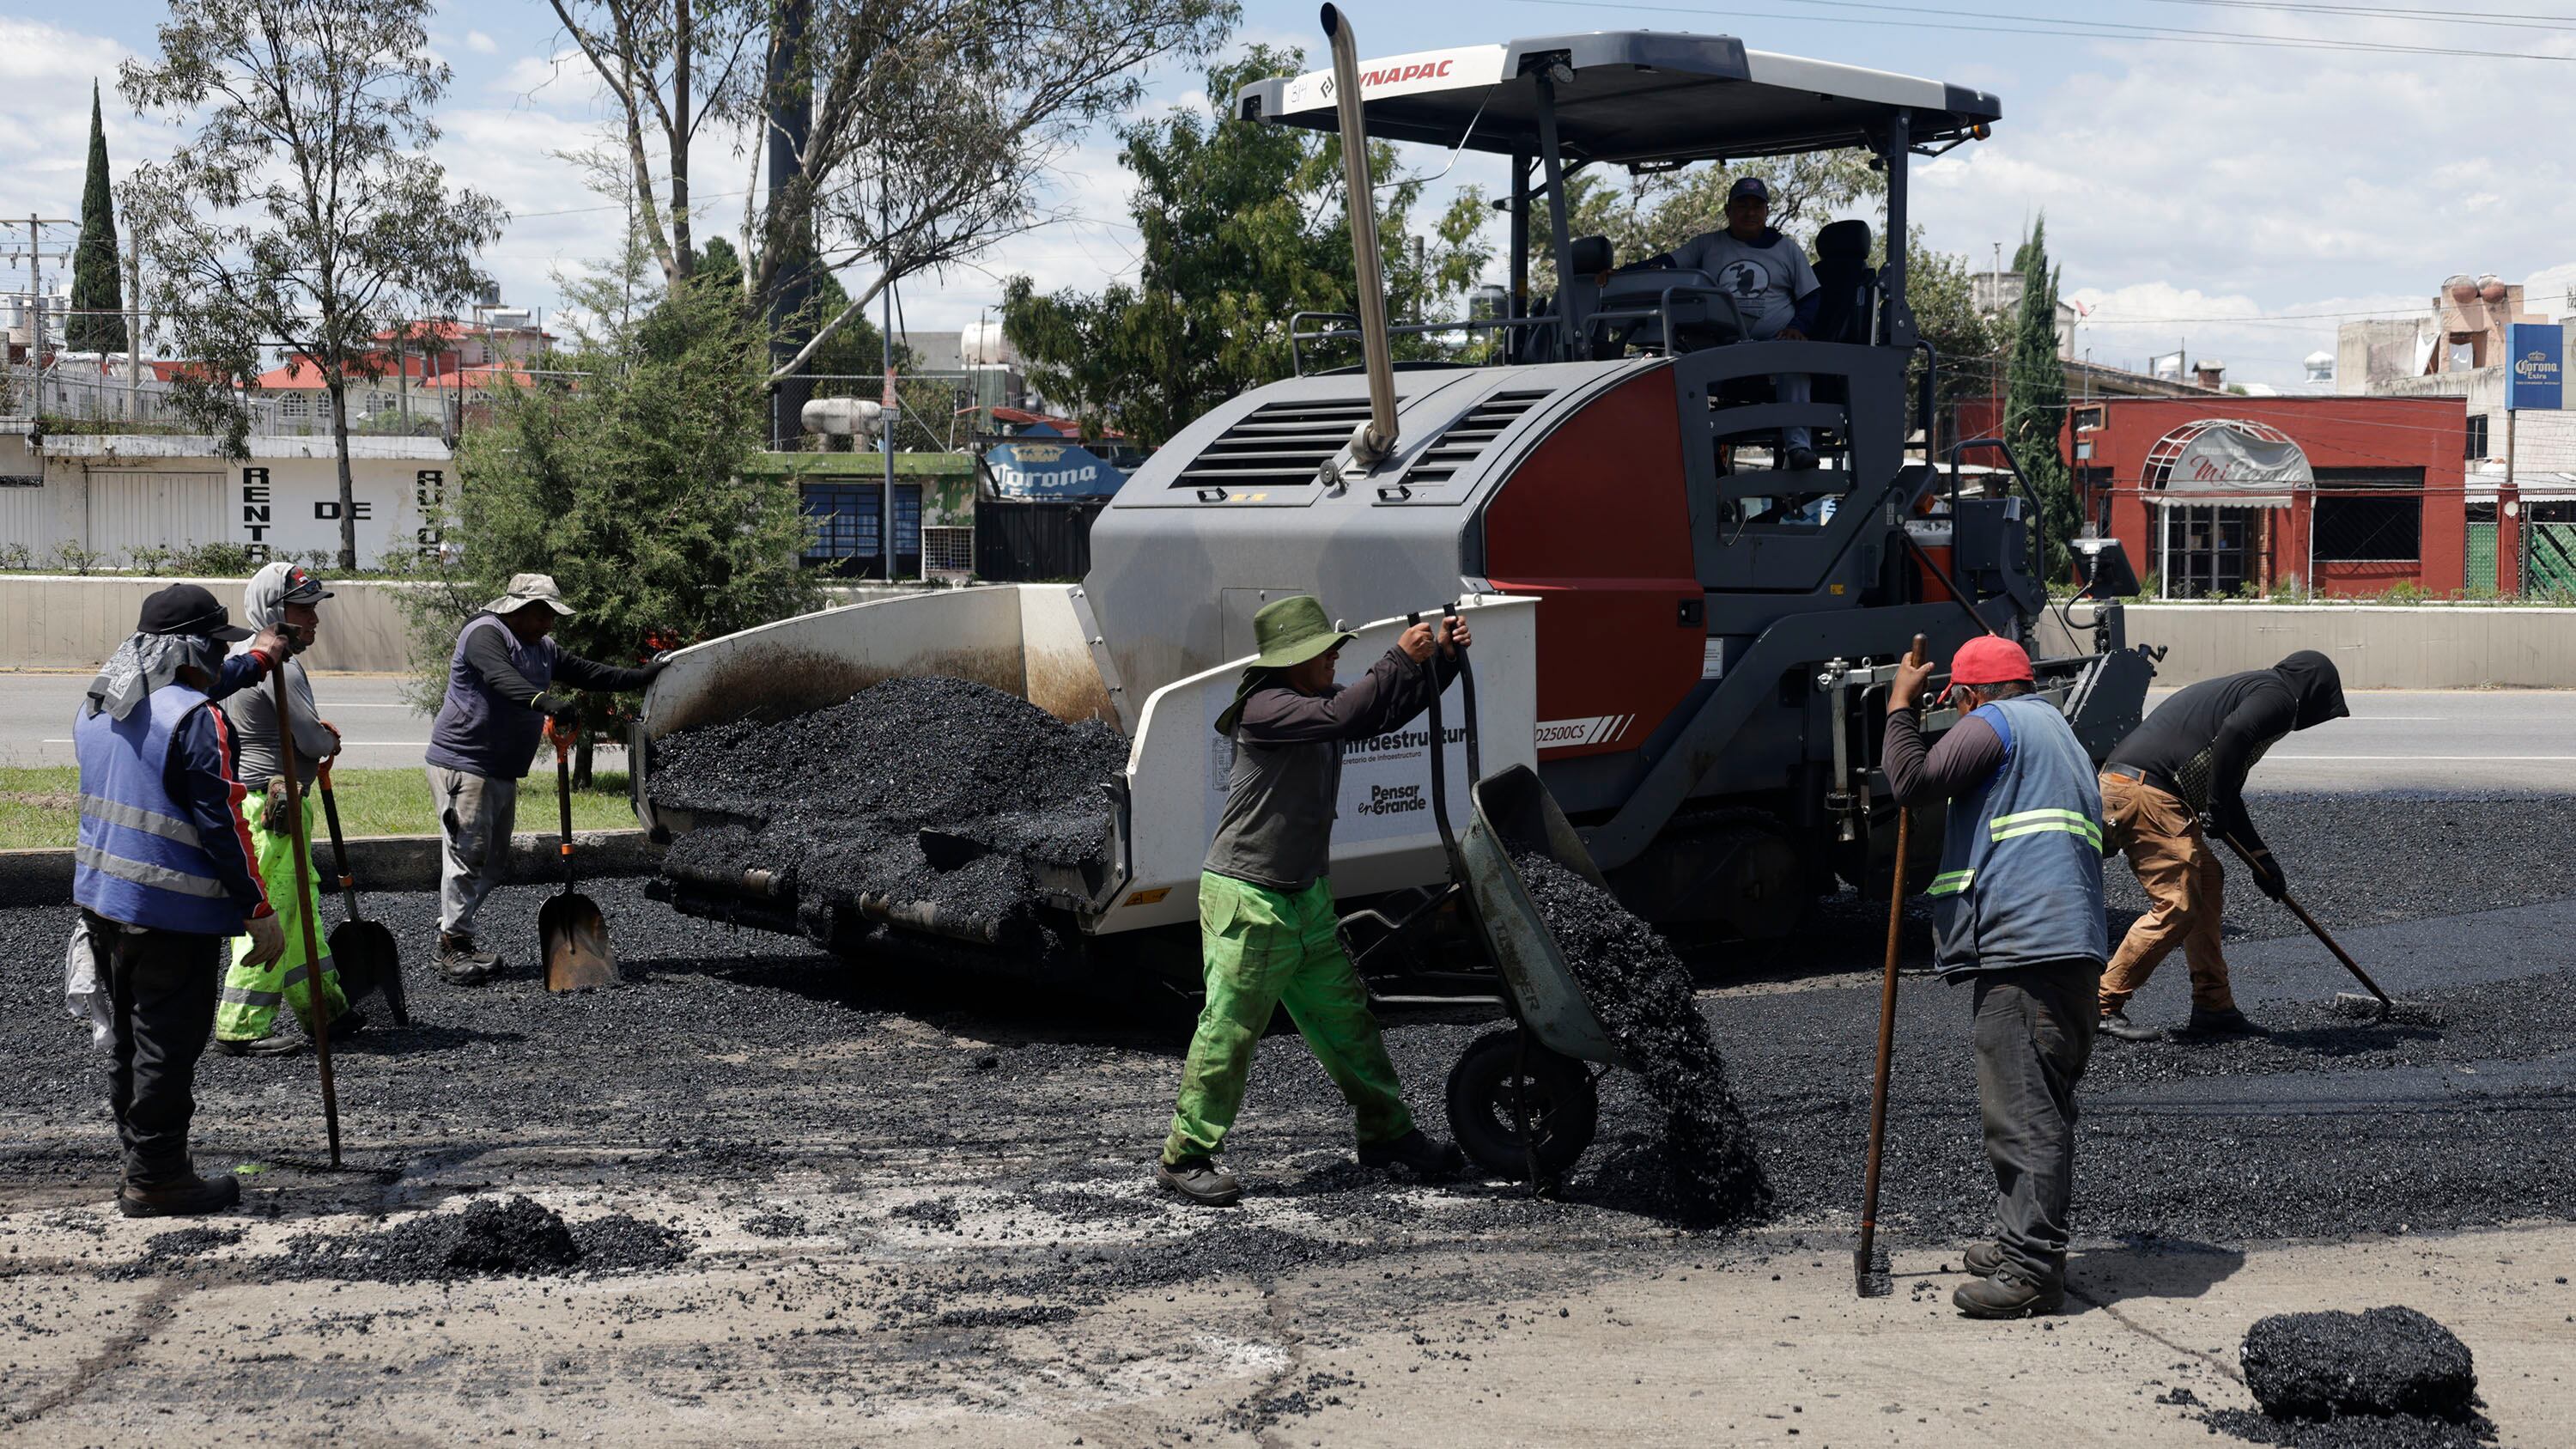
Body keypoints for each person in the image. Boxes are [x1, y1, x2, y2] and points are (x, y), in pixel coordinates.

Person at [1156, 596, 1470, 1207]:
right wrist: (1399, 658)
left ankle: (1387, 1133)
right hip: (1248, 898)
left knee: (1348, 1022)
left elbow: (1376, 713)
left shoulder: (1315, 706)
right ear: (1290, 661)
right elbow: (1353, 708)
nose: (1332, 658)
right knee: (1229, 1030)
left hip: (1306, 897)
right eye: (1322, 651)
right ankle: (1185, 1155)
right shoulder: (1266, 708)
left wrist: (1444, 661)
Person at [1884, 636, 2108, 1318]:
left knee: (2024, 1114)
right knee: (2041, 1104)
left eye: (1957, 705)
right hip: (2069, 948)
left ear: (1970, 695)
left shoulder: (1997, 723)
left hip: (2026, 951)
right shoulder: (2059, 734)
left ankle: (2032, 1269)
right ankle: (2021, 1240)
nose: (1960, 714)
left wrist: (1899, 709)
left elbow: (1912, 781)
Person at [73, 583, 290, 1217]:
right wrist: (258, 909)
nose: (224, 657)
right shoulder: (199, 721)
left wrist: (261, 658)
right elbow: (223, 824)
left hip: (103, 904)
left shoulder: (101, 700)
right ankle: (159, 1177)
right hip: (169, 913)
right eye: (217, 648)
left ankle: (139, 1160)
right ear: (188, 651)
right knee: (166, 1046)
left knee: (129, 1041)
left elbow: (182, 703)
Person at [423, 574, 665, 984]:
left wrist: (640, 676)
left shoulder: (543, 648)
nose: (549, 623)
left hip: (502, 769)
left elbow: (589, 673)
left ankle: (453, 931)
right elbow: (499, 677)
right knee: (468, 853)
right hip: (464, 764)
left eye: (552, 616)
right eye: (543, 615)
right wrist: (545, 701)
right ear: (517, 608)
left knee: (493, 861)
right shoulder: (484, 634)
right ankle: (453, 942)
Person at [2095, 651, 2349, 1040]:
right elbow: (2233, 735)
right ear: (2313, 691)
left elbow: (2228, 792)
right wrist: (2215, 806)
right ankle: (2100, 1004)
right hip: (2147, 792)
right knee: (2177, 904)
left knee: (2207, 879)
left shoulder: (2255, 690)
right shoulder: (2281, 697)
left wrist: (2262, 860)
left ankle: (2213, 1006)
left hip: (2133, 785)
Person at [213, 563, 355, 1056]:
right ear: (274, 612)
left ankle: (326, 1010)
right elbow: (310, 739)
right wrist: (328, 740)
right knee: (273, 913)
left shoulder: (238, 659)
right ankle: (240, 1026)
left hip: (262, 804)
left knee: (298, 912)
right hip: (277, 808)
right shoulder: (282, 666)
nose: (314, 619)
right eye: (303, 609)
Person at [1665, 176, 1824, 469]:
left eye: (1757, 206)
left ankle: (1798, 447)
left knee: (1795, 359)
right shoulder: (1707, 245)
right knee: (1678, 367)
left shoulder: (1786, 249)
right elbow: (1667, 264)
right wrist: (1619, 273)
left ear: (1766, 211)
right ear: (1728, 210)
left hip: (1773, 343)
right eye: (1742, 205)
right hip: (1721, 343)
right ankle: (1702, 453)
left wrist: (1799, 327)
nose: (1750, 212)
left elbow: (1811, 296)